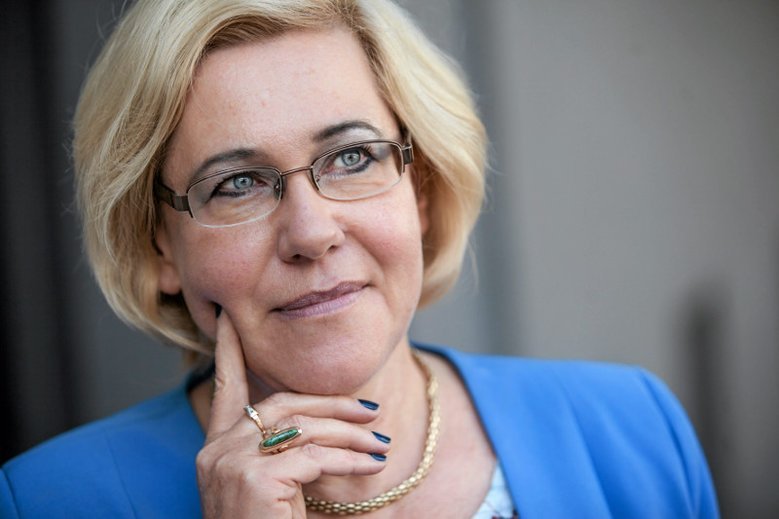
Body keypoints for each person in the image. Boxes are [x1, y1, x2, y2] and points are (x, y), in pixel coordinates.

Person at [0, 0, 718, 517]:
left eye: (351, 157)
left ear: (421, 189)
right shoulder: (44, 500)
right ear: (158, 244)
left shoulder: (633, 426)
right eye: (237, 183)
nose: (311, 233)